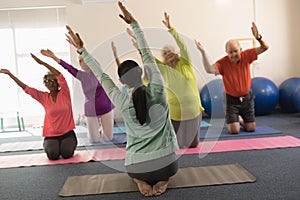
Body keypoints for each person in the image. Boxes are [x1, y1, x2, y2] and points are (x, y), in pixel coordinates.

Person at [65, 2, 179, 196]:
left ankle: (140, 181)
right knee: (167, 168)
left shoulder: (122, 101)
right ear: (142, 72)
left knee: (135, 170)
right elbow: (148, 56)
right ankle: (162, 180)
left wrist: (82, 51)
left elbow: (101, 75)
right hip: (166, 165)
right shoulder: (158, 90)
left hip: (137, 167)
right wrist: (135, 24)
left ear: (121, 81)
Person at [126, 13, 204, 149]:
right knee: (178, 145)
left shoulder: (185, 63)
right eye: (165, 53)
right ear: (163, 58)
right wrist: (137, 38)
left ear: (176, 52)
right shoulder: (162, 68)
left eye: (170, 51)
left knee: (192, 145)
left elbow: (183, 45)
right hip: (175, 112)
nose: (168, 54)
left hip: (192, 111)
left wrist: (171, 29)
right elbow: (147, 54)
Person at [195, 22, 269, 134]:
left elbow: (265, 47)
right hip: (231, 101)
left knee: (251, 128)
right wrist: (203, 52)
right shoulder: (223, 63)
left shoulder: (246, 55)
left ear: (240, 49)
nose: (233, 54)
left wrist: (258, 37)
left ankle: (240, 119)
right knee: (234, 131)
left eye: (236, 51)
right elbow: (209, 69)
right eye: (230, 52)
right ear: (226, 52)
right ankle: (234, 120)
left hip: (247, 98)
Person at [0, 53, 77, 160]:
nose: (51, 83)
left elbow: (59, 74)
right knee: (53, 155)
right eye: (48, 81)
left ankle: (67, 144)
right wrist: (10, 74)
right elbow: (26, 88)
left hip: (67, 133)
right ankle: (51, 145)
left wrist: (42, 63)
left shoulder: (65, 93)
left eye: (54, 81)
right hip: (51, 135)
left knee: (67, 153)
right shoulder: (43, 97)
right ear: (45, 84)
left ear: (58, 83)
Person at [40, 49, 114, 143]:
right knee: (94, 140)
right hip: (91, 110)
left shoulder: (98, 72)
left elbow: (93, 62)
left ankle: (100, 129)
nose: (82, 63)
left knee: (108, 139)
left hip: (105, 107)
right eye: (79, 61)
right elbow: (68, 67)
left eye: (84, 59)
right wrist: (54, 57)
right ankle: (93, 128)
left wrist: (80, 48)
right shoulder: (81, 76)